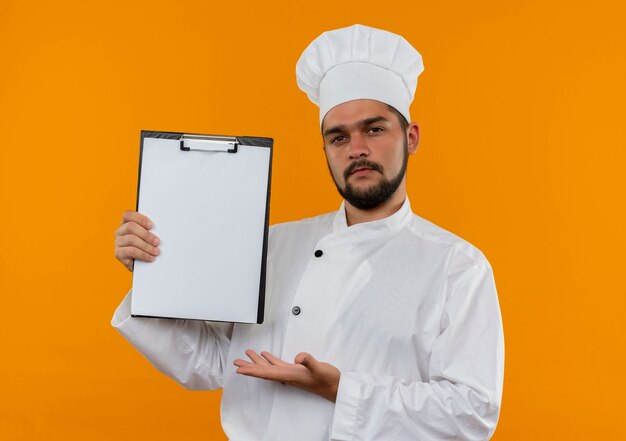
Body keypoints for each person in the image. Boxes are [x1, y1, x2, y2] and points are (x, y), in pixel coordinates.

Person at [112, 24, 504, 441]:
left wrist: (341, 390)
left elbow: (472, 413)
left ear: (410, 138)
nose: (357, 149)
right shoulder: (272, 246)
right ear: (325, 151)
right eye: (339, 137)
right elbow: (211, 363)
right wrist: (152, 270)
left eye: (374, 129)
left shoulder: (456, 266)